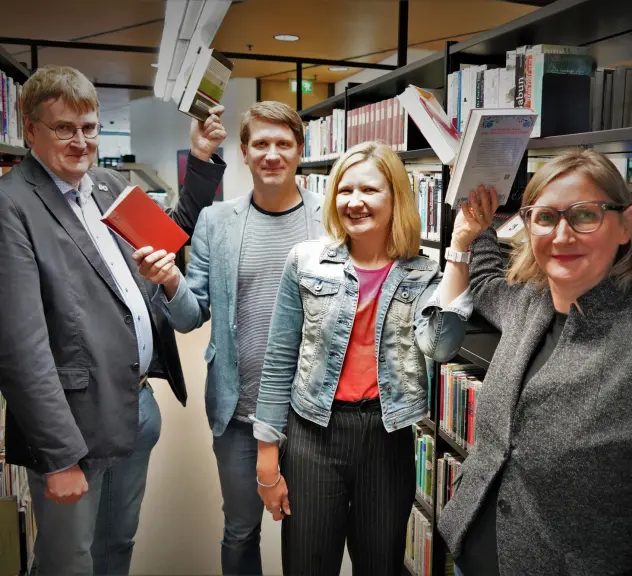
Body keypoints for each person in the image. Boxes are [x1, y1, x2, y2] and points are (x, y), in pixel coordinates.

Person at [0, 65, 226, 576]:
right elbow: (20, 347)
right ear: (30, 129)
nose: (80, 141)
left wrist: (203, 160)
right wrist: (58, 456)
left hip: (136, 407)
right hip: (73, 427)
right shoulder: (11, 206)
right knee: (68, 562)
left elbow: (169, 236)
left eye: (89, 128)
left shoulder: (106, 185)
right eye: (64, 128)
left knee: (117, 546)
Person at [249, 141, 473, 576]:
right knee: (307, 564)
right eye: (344, 190)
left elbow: (441, 346)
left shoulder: (422, 273)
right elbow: (279, 358)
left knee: (380, 565)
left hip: (385, 438)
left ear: (395, 198)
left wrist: (460, 249)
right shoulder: (306, 261)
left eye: (369, 190)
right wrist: (266, 457)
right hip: (313, 434)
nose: (354, 202)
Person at [133, 101, 324, 576]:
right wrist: (172, 282)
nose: (272, 154)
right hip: (239, 411)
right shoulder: (216, 222)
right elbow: (190, 317)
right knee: (241, 530)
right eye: (261, 143)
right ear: (243, 151)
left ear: (301, 150)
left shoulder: (329, 220)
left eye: (283, 143)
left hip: (313, 412)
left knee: (312, 530)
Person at [438, 149, 632, 576]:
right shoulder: (528, 304)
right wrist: (478, 220)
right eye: (545, 217)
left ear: (625, 224)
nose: (562, 235)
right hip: (470, 552)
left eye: (584, 216)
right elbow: (486, 279)